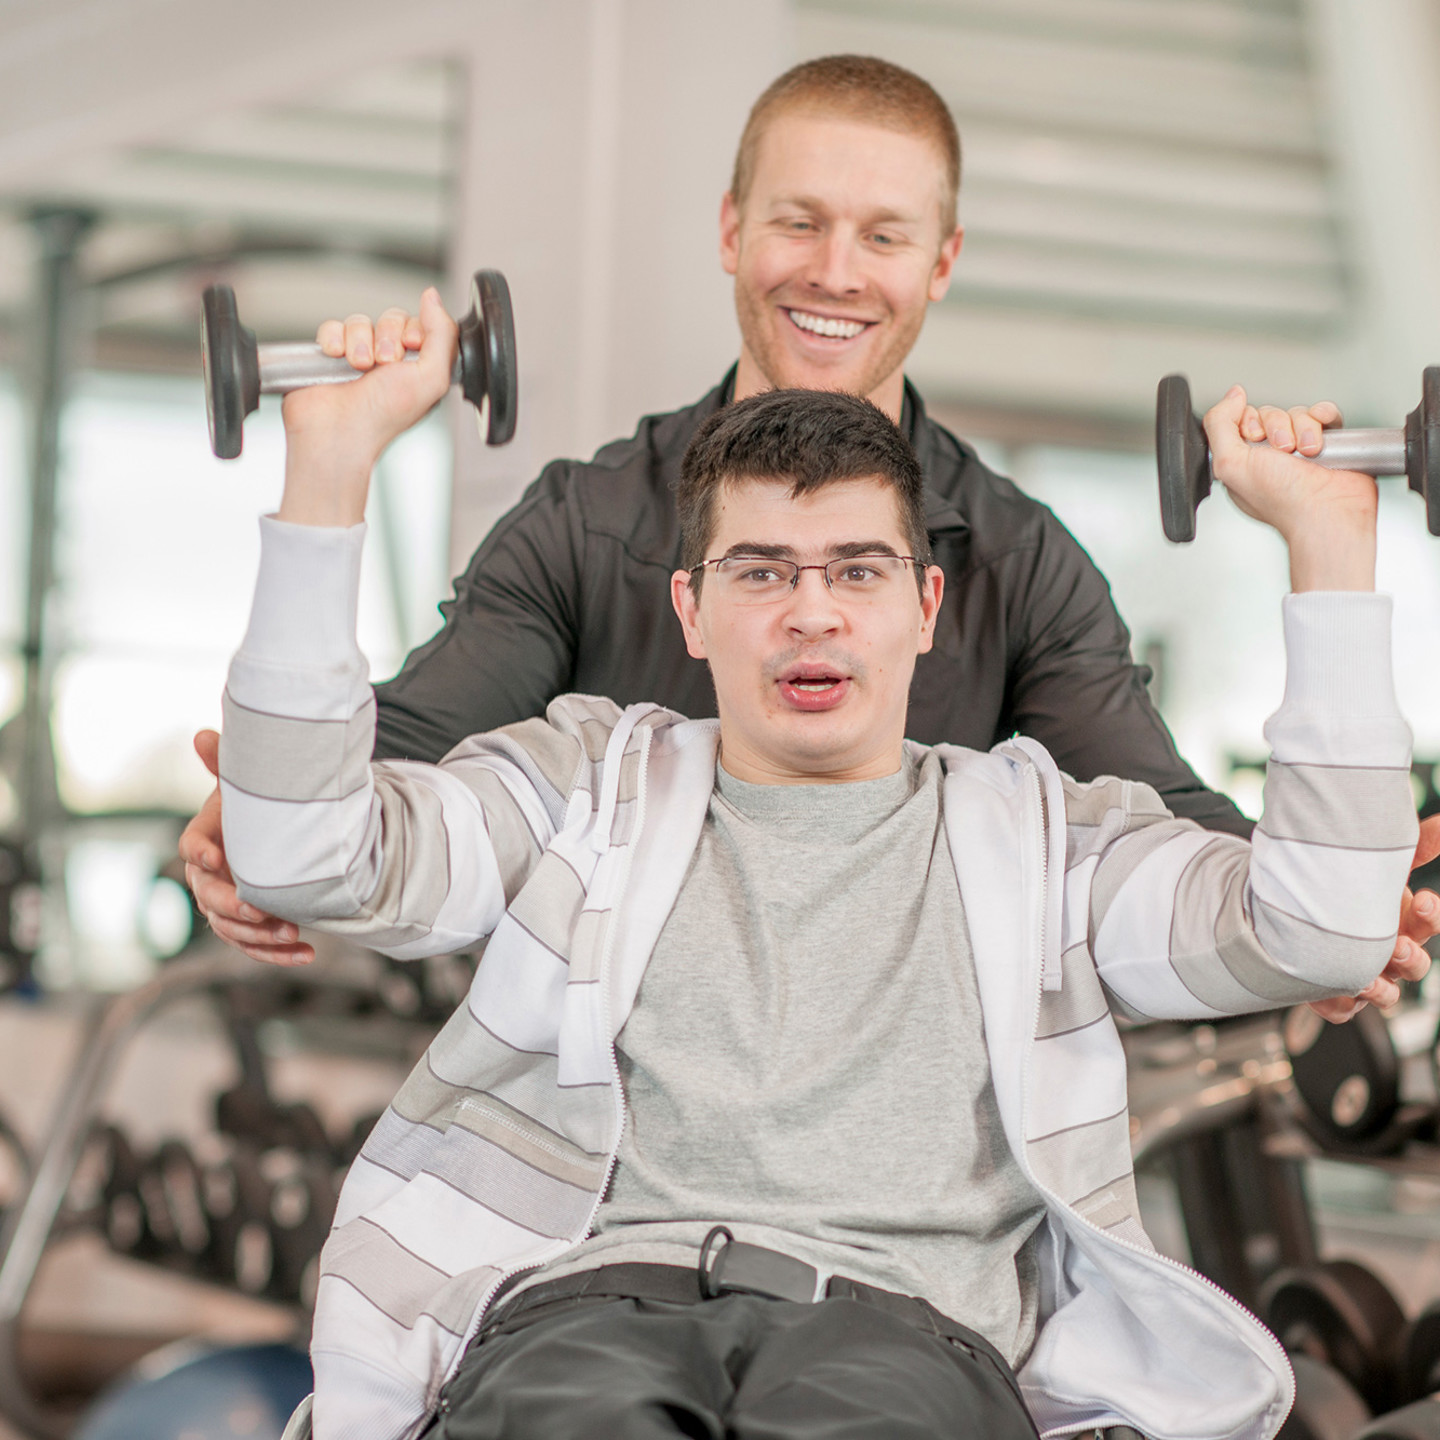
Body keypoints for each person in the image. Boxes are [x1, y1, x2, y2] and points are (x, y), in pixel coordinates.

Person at [218, 283, 1419, 1440]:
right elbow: (306, 854)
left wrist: (1328, 547)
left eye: (857, 569)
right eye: (760, 571)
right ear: (690, 612)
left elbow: (1320, 927)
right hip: (583, 1313)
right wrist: (331, 462)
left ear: (926, 604)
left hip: (906, 1334)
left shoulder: (1048, 841)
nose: (812, 612)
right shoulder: (581, 785)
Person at [182, 55, 1437, 1007]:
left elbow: (1157, 818)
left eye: (883, 236)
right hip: (592, 1111)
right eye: (799, 222)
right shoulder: (586, 520)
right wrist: (270, 811)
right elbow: (403, 755)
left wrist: (1301, 916)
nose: (836, 271)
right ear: (733, 231)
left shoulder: (1017, 560)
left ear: (939, 263)